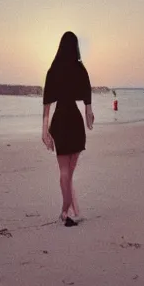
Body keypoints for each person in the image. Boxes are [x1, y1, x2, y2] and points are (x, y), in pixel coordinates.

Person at [42, 32, 94, 227]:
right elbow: (87, 96)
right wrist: (89, 115)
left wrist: (44, 130)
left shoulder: (53, 70)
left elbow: (47, 103)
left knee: (64, 172)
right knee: (69, 173)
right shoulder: (80, 69)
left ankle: (67, 211)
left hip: (60, 123)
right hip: (75, 122)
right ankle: (70, 211)